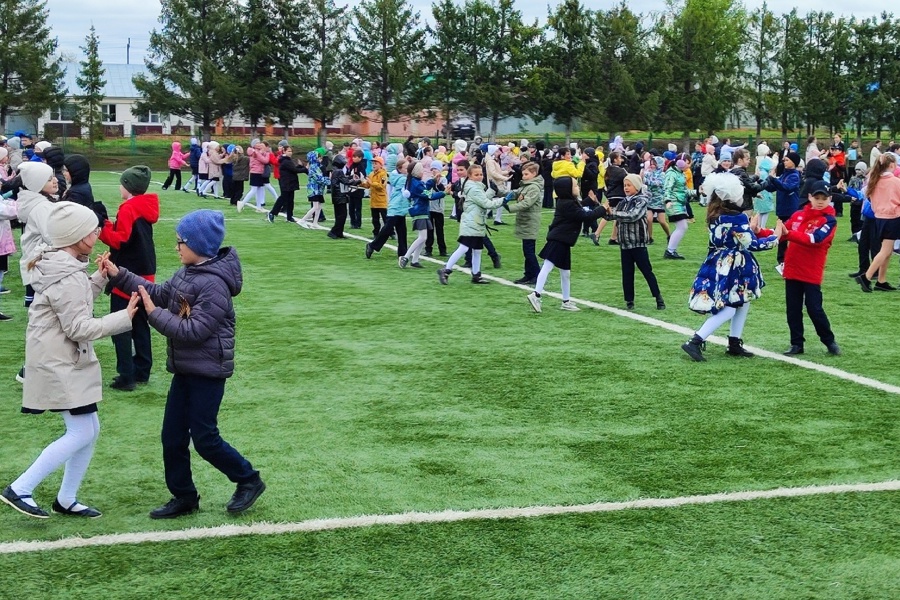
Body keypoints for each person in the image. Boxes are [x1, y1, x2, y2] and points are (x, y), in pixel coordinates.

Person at [103, 209, 265, 518]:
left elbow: (193, 331)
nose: (176, 247)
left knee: (205, 438)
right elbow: (159, 293)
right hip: (185, 370)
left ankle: (248, 479)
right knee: (172, 437)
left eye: (181, 242)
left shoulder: (215, 286)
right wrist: (119, 273)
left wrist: (152, 313)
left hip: (207, 372)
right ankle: (184, 496)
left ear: (199, 245)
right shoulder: (187, 273)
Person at [1, 202, 139, 519]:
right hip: (60, 362)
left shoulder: (64, 266)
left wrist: (99, 278)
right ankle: (20, 488)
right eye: (92, 229)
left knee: (89, 429)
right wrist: (123, 317)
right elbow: (78, 326)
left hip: (60, 359)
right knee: (81, 432)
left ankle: (66, 498)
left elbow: (74, 302)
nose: (98, 232)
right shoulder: (66, 274)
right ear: (76, 236)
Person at [681, 173, 779, 361]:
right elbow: (753, 245)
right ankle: (695, 340)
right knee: (730, 307)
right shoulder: (737, 218)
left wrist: (753, 230)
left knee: (742, 300)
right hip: (735, 265)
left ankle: (734, 342)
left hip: (718, 261)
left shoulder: (715, 214)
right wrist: (776, 238)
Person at [99, 166, 159, 391]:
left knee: (121, 324)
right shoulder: (145, 205)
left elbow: (119, 241)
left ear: (127, 186)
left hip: (127, 274)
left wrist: (102, 227)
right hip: (145, 272)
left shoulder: (128, 208)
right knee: (141, 323)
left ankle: (126, 375)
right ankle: (142, 369)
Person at [525, 175, 607, 312]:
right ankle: (536, 294)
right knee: (547, 267)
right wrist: (603, 208)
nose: (578, 187)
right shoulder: (567, 203)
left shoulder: (568, 201)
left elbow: (579, 209)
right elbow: (584, 216)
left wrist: (589, 200)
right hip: (558, 240)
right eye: (575, 185)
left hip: (563, 241)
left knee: (565, 273)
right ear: (566, 189)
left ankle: (566, 301)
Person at [779, 181, 840, 356]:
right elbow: (780, 233)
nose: (820, 201)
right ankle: (796, 343)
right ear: (810, 198)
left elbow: (815, 239)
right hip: (792, 267)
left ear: (830, 199)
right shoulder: (798, 215)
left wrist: (787, 233)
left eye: (824, 198)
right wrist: (759, 231)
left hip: (811, 270)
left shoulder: (829, 220)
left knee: (814, 308)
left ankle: (829, 341)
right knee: (793, 308)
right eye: (817, 197)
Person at [437, 164, 503, 285]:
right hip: (472, 223)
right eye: (476, 175)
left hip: (476, 222)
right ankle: (446, 270)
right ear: (470, 176)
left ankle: (476, 275)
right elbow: (486, 203)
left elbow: (482, 198)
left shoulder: (475, 187)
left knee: (477, 250)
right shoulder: (473, 188)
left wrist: (491, 190)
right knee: (464, 248)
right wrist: (505, 200)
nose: (479, 177)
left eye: (481, 174)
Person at [606, 175, 665, 310]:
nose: (626, 188)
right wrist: (606, 211)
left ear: (637, 187)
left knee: (647, 271)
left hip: (638, 244)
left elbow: (633, 216)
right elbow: (613, 216)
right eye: (625, 185)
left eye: (629, 185)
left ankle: (658, 297)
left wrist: (613, 214)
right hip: (625, 244)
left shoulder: (641, 201)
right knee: (627, 274)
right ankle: (629, 300)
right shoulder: (622, 202)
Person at [855, 153, 900, 292]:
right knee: (886, 251)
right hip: (893, 218)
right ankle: (866, 277)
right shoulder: (896, 182)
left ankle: (881, 280)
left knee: (885, 250)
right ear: (892, 165)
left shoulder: (874, 180)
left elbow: (868, 198)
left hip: (879, 218)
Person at [504, 161, 543, 285]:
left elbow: (527, 203)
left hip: (530, 221)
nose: (523, 176)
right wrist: (501, 193)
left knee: (529, 251)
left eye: (526, 174)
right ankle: (529, 274)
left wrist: (510, 208)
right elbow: (516, 193)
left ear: (534, 174)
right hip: (525, 221)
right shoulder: (526, 185)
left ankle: (536, 274)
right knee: (526, 251)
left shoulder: (534, 187)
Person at [764, 150, 802, 273]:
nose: (784, 161)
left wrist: (773, 179)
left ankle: (788, 260)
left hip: (791, 210)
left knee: (789, 235)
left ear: (794, 162)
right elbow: (773, 187)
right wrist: (764, 181)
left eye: (787, 160)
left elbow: (786, 187)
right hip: (782, 210)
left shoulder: (794, 176)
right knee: (782, 236)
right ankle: (782, 261)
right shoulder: (784, 175)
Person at [366, 158, 409, 258]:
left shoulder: (398, 177)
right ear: (400, 169)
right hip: (395, 207)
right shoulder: (403, 179)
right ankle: (372, 245)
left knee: (402, 231)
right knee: (387, 229)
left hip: (400, 208)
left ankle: (402, 253)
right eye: (406, 168)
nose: (408, 170)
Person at [663, 154, 692, 259]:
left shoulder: (680, 173)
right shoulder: (671, 173)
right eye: (688, 163)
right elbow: (667, 188)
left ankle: (670, 250)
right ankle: (670, 251)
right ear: (681, 162)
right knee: (682, 227)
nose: (689, 166)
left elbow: (683, 191)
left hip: (679, 203)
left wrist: (697, 192)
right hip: (673, 203)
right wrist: (667, 200)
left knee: (682, 227)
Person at [267, 146, 301, 223]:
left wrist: (300, 166)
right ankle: (272, 213)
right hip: (286, 183)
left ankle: (289, 216)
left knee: (290, 200)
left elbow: (293, 169)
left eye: (291, 151)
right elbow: (294, 170)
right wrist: (305, 169)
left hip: (290, 182)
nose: (290, 153)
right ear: (284, 152)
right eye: (289, 151)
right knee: (283, 198)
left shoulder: (287, 160)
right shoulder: (285, 161)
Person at [298, 149, 329, 228]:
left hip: (318, 189)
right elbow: (319, 179)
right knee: (315, 206)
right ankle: (302, 220)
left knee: (319, 206)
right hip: (314, 190)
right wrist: (329, 181)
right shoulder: (314, 167)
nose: (320, 159)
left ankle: (315, 223)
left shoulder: (316, 166)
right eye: (318, 158)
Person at [424, 160, 447, 257]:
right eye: (432, 169)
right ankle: (428, 249)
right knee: (429, 230)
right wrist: (433, 182)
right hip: (430, 209)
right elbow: (427, 192)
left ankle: (442, 250)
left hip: (439, 209)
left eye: (435, 169)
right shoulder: (429, 180)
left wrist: (437, 183)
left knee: (440, 231)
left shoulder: (443, 179)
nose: (433, 171)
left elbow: (443, 192)